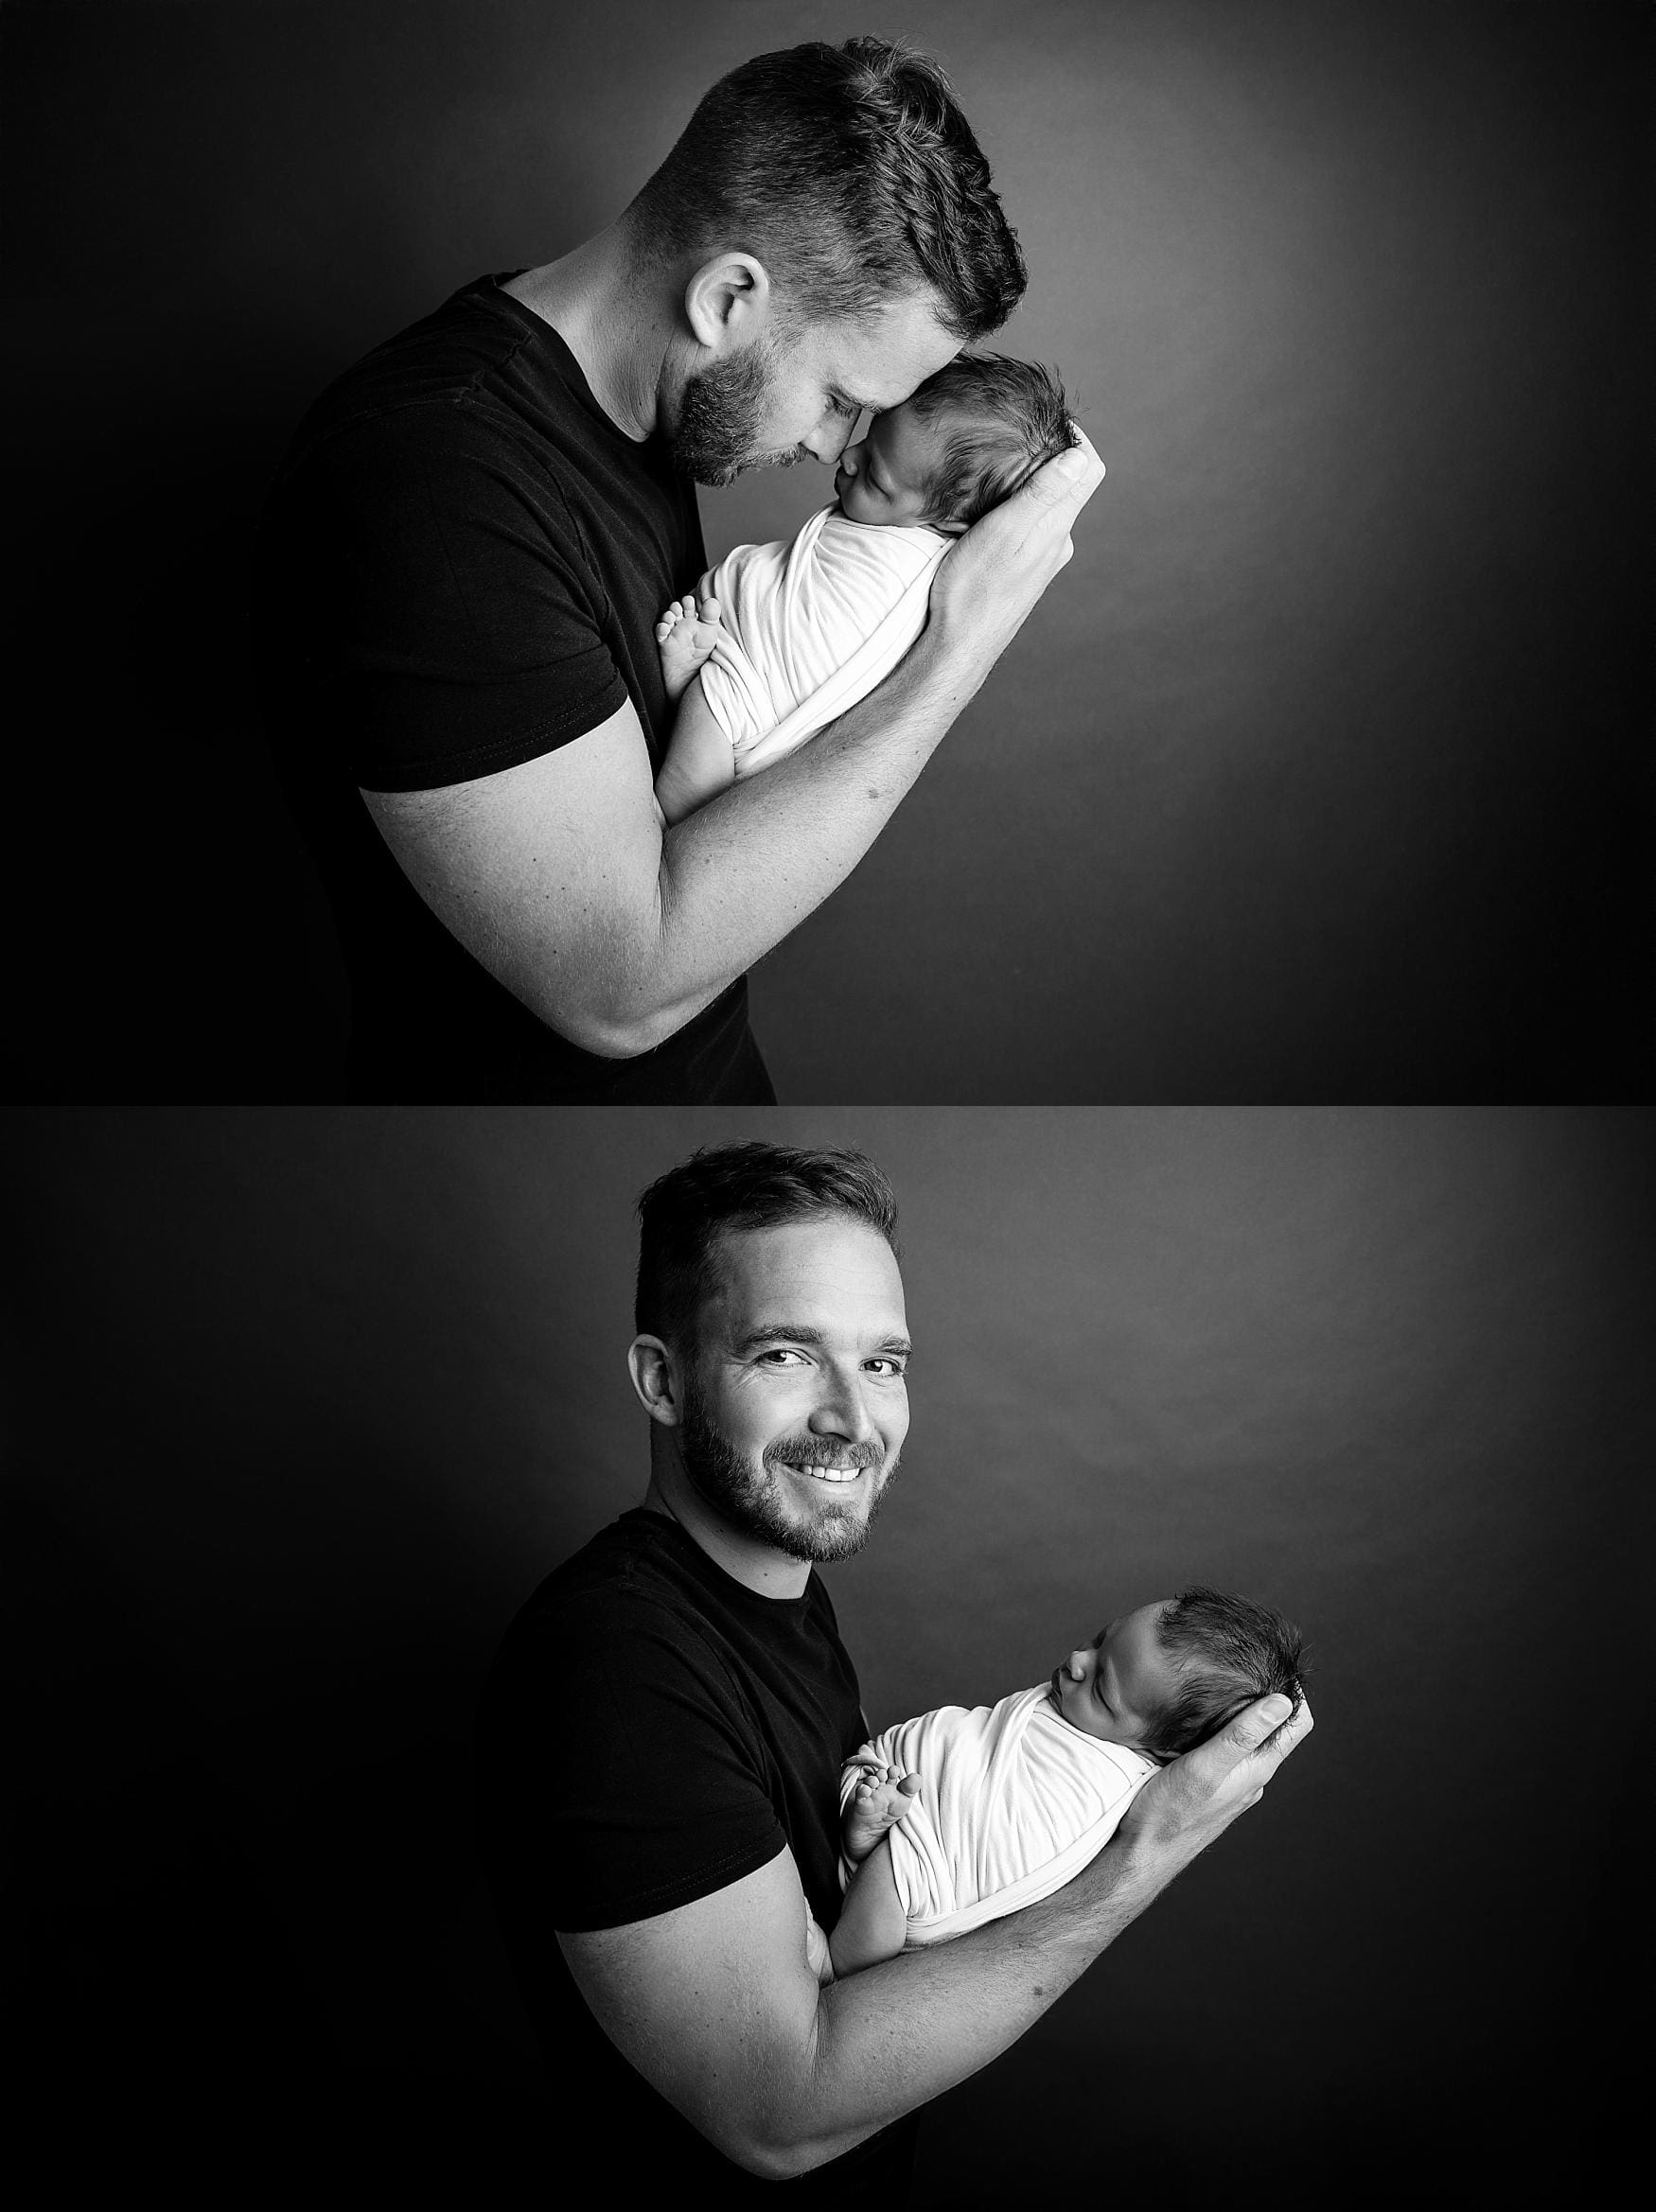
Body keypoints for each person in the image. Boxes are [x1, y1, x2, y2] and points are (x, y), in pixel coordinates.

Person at [251, 36, 1105, 1101]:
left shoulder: (641, 407)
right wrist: (957, 650)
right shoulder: (428, 485)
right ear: (727, 298)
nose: (837, 448)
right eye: (841, 399)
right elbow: (621, 985)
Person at [472, 1143, 1314, 2195]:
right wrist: (1140, 1860)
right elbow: (779, 2114)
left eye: (882, 1363)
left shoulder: (780, 1588)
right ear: (663, 1380)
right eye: (785, 1354)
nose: (853, 1420)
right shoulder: (616, 1666)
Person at [652, 355, 1076, 822]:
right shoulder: (901, 515)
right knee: (714, 699)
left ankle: (703, 706)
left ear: (951, 523)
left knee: (704, 739)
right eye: (869, 439)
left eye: (875, 476)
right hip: (755, 680)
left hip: (760, 697)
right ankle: (704, 683)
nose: (847, 456)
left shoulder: (915, 576)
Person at [828, 1587, 1307, 1977]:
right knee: (900, 1803)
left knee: (898, 1874)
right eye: (1099, 1640)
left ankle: (836, 1960)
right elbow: (980, 1754)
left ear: (1160, 1751)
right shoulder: (1079, 1716)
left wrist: (925, 1838)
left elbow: (1000, 1829)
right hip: (911, 1791)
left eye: (1100, 1688)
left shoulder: (1091, 1786)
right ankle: (873, 1833)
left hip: (941, 1866)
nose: (1078, 1660)